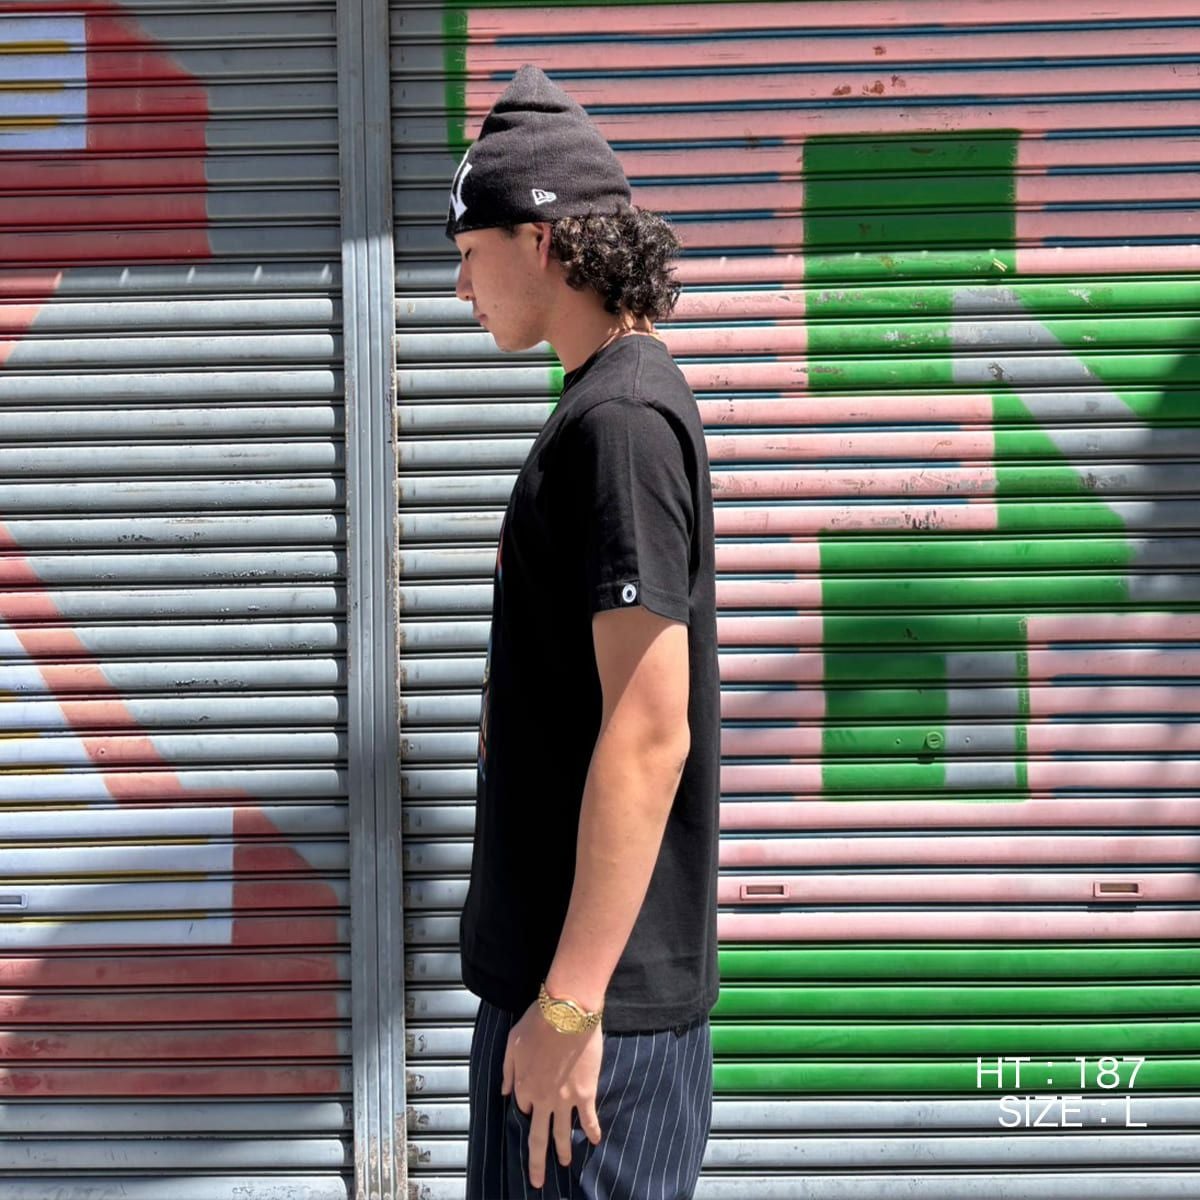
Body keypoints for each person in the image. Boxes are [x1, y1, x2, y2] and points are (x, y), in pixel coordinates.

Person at [446, 64, 720, 1200]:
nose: (460, 285)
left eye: (470, 252)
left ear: (543, 240)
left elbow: (651, 731)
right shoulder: (600, 406)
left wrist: (568, 1004)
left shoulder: (622, 422)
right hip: (565, 1000)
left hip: (593, 1025)